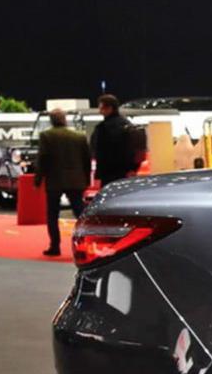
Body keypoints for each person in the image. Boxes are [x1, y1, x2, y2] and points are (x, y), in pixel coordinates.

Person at [33, 109, 92, 258]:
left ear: (51, 120)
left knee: (52, 214)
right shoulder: (79, 136)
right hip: (76, 180)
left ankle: (55, 246)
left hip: (54, 180)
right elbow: (86, 160)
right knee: (80, 214)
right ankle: (85, 245)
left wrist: (38, 179)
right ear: (65, 119)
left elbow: (43, 159)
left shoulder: (46, 136)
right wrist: (86, 180)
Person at [89, 93, 139, 185]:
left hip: (108, 173)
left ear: (109, 108)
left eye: (101, 108)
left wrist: (98, 175)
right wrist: (133, 168)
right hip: (126, 172)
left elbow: (100, 153)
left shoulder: (103, 128)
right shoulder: (127, 124)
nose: (100, 112)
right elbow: (133, 149)